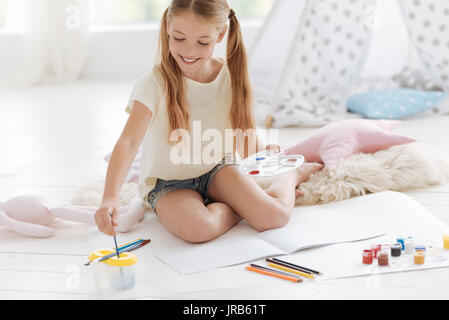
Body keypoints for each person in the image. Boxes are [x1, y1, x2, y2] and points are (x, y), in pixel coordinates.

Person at [95, 0, 323, 243]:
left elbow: (244, 139)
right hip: (168, 184)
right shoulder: (154, 83)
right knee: (198, 229)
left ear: (221, 33)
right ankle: (238, 206)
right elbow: (128, 142)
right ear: (167, 27)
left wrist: (265, 153)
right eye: (179, 38)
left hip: (218, 169)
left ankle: (290, 177)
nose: (189, 51)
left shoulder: (231, 78)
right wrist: (110, 197)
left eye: (202, 42)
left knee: (274, 218)